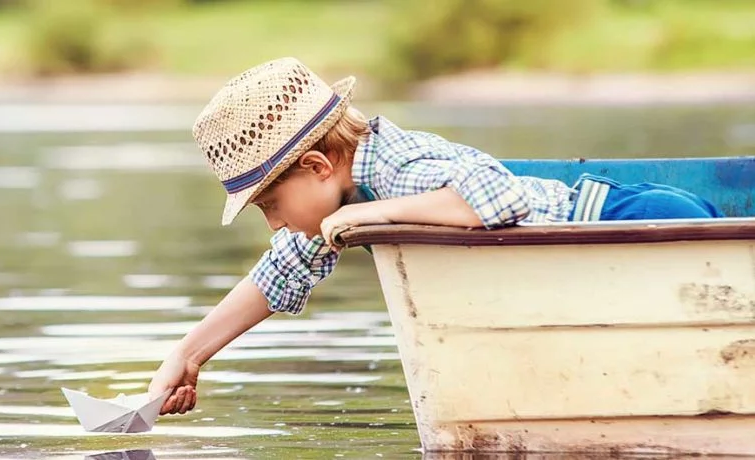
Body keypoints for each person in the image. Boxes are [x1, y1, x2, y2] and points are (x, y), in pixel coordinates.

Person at [146, 57, 724, 416]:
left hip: (635, 219)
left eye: (270, 204)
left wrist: (374, 217)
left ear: (318, 167)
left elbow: (502, 199)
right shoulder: (341, 197)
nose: (273, 223)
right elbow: (279, 274)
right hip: (595, 268)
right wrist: (187, 355)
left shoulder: (399, 166)